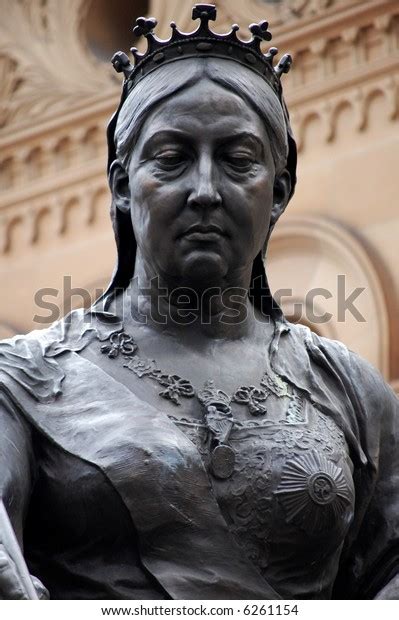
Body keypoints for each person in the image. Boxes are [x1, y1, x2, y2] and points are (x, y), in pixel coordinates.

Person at [0, 4, 398, 600]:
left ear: (280, 190)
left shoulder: (351, 390)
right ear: (121, 185)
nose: (206, 190)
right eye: (172, 158)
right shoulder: (26, 377)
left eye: (238, 160)